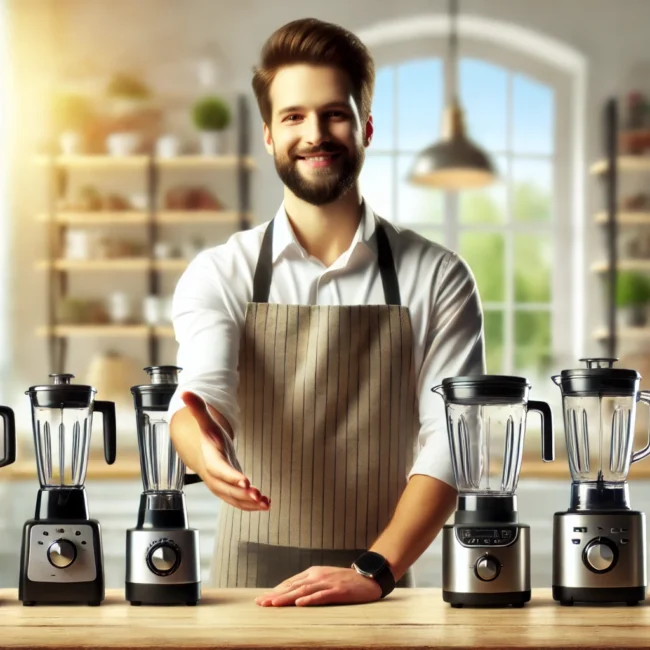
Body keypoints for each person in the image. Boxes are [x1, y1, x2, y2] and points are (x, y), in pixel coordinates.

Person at [168, 17, 485, 607]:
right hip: (245, 585)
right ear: (268, 134)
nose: (315, 133)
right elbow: (201, 396)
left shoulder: (437, 275)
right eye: (293, 117)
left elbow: (453, 439)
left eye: (334, 113)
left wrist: (374, 570)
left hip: (381, 575)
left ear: (365, 126)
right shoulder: (221, 272)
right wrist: (202, 451)